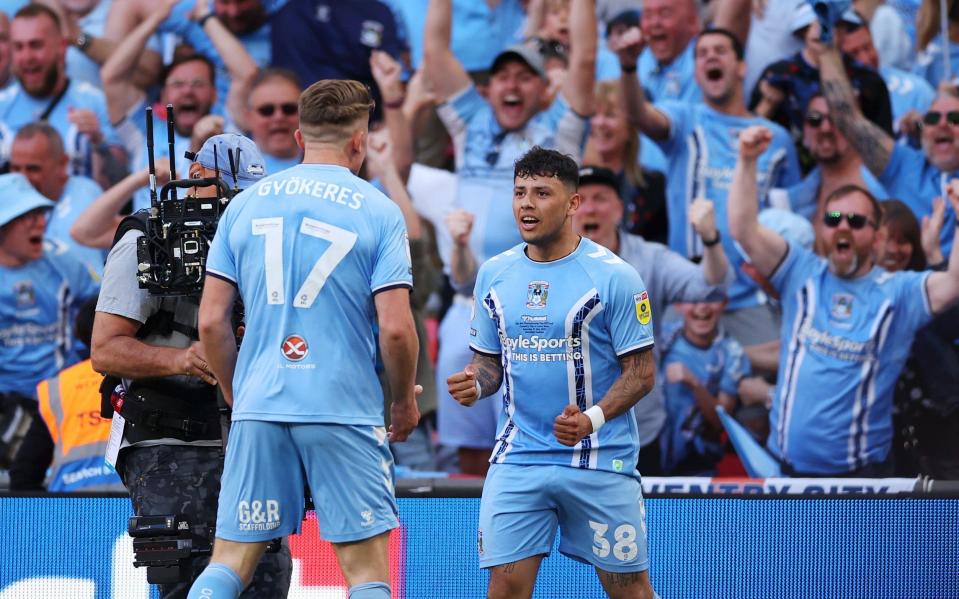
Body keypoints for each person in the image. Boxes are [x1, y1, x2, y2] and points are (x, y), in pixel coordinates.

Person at [187, 80, 419, 599]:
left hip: (262, 403)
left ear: (298, 136)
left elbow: (211, 323)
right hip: (343, 406)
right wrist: (402, 402)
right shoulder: (379, 210)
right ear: (359, 141)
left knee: (227, 565)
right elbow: (397, 328)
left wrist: (237, 389)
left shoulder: (244, 207)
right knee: (365, 574)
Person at [447, 147, 657, 599]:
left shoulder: (616, 277)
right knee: (503, 592)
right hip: (518, 458)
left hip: (600, 459)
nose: (527, 203)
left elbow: (641, 373)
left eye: (542, 193)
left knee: (630, 592)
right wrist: (475, 383)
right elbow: (489, 363)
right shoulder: (493, 274)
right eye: (520, 192)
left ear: (573, 204)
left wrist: (591, 420)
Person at [91, 133, 291, 598]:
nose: (237, 206)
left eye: (248, 195)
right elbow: (105, 349)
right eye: (228, 191)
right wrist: (182, 357)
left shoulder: (266, 241)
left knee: (268, 576)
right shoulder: (148, 237)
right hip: (168, 435)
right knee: (188, 578)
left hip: (248, 436)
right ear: (195, 180)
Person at [424, 0, 597, 474]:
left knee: (537, 438)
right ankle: (474, 540)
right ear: (489, 87)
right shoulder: (469, 123)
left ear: (544, 89)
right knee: (469, 443)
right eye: (503, 76)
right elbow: (435, 50)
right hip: (468, 302)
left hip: (538, 301)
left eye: (525, 77)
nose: (512, 84)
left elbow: (582, 59)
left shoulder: (558, 129)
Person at [728, 124, 959, 476]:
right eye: (834, 219)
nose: (843, 227)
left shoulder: (899, 292)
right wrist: (746, 160)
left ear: (877, 234)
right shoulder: (800, 271)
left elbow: (954, 282)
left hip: (858, 480)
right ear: (822, 227)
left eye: (856, 220)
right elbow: (744, 230)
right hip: (782, 469)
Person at [616, 25, 801, 346]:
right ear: (697, 73)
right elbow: (638, 114)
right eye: (701, 54)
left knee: (762, 388)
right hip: (692, 296)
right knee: (678, 385)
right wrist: (629, 67)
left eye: (720, 51)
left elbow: (791, 218)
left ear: (742, 67)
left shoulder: (777, 139)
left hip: (754, 298)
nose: (710, 57)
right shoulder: (684, 119)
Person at [573, 164, 729, 475]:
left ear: (619, 210)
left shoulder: (651, 259)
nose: (590, 208)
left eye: (601, 198)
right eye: (581, 199)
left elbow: (712, 287)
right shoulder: (544, 262)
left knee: (637, 523)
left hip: (636, 430)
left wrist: (710, 239)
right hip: (569, 430)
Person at [816, 28, 958, 254]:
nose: (942, 124)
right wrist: (826, 49)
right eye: (932, 117)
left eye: (954, 118)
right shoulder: (905, 166)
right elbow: (847, 118)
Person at [0, 173, 99, 490]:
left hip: (61, 398)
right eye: (26, 217)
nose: (39, 223)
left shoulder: (64, 262)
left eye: (40, 214)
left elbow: (103, 315)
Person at [874, 200, 959, 478]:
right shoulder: (850, 296)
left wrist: (933, 252)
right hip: (877, 440)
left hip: (938, 430)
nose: (894, 250)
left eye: (904, 241)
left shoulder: (921, 292)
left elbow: (951, 323)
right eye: (886, 240)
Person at [0, 4, 123, 184]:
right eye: (19, 47)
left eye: (36, 45)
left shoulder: (94, 102)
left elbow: (118, 184)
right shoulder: (2, 106)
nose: (27, 57)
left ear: (62, 47)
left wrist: (99, 142)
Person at [38, 297, 125, 492]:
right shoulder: (145, 375)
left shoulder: (57, 387)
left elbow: (25, 472)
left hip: (69, 506)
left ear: (79, 333)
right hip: (133, 498)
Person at [660, 299, 750, 475]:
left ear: (724, 303)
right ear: (679, 305)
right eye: (693, 299)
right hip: (650, 452)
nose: (702, 306)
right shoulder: (663, 336)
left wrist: (695, 384)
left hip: (698, 464)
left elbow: (720, 422)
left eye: (711, 298)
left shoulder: (733, 352)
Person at [9, 122, 106, 275]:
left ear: (62, 164)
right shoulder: (8, 196)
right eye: (15, 169)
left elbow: (87, 283)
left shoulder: (84, 198)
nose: (21, 179)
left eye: (32, 169)